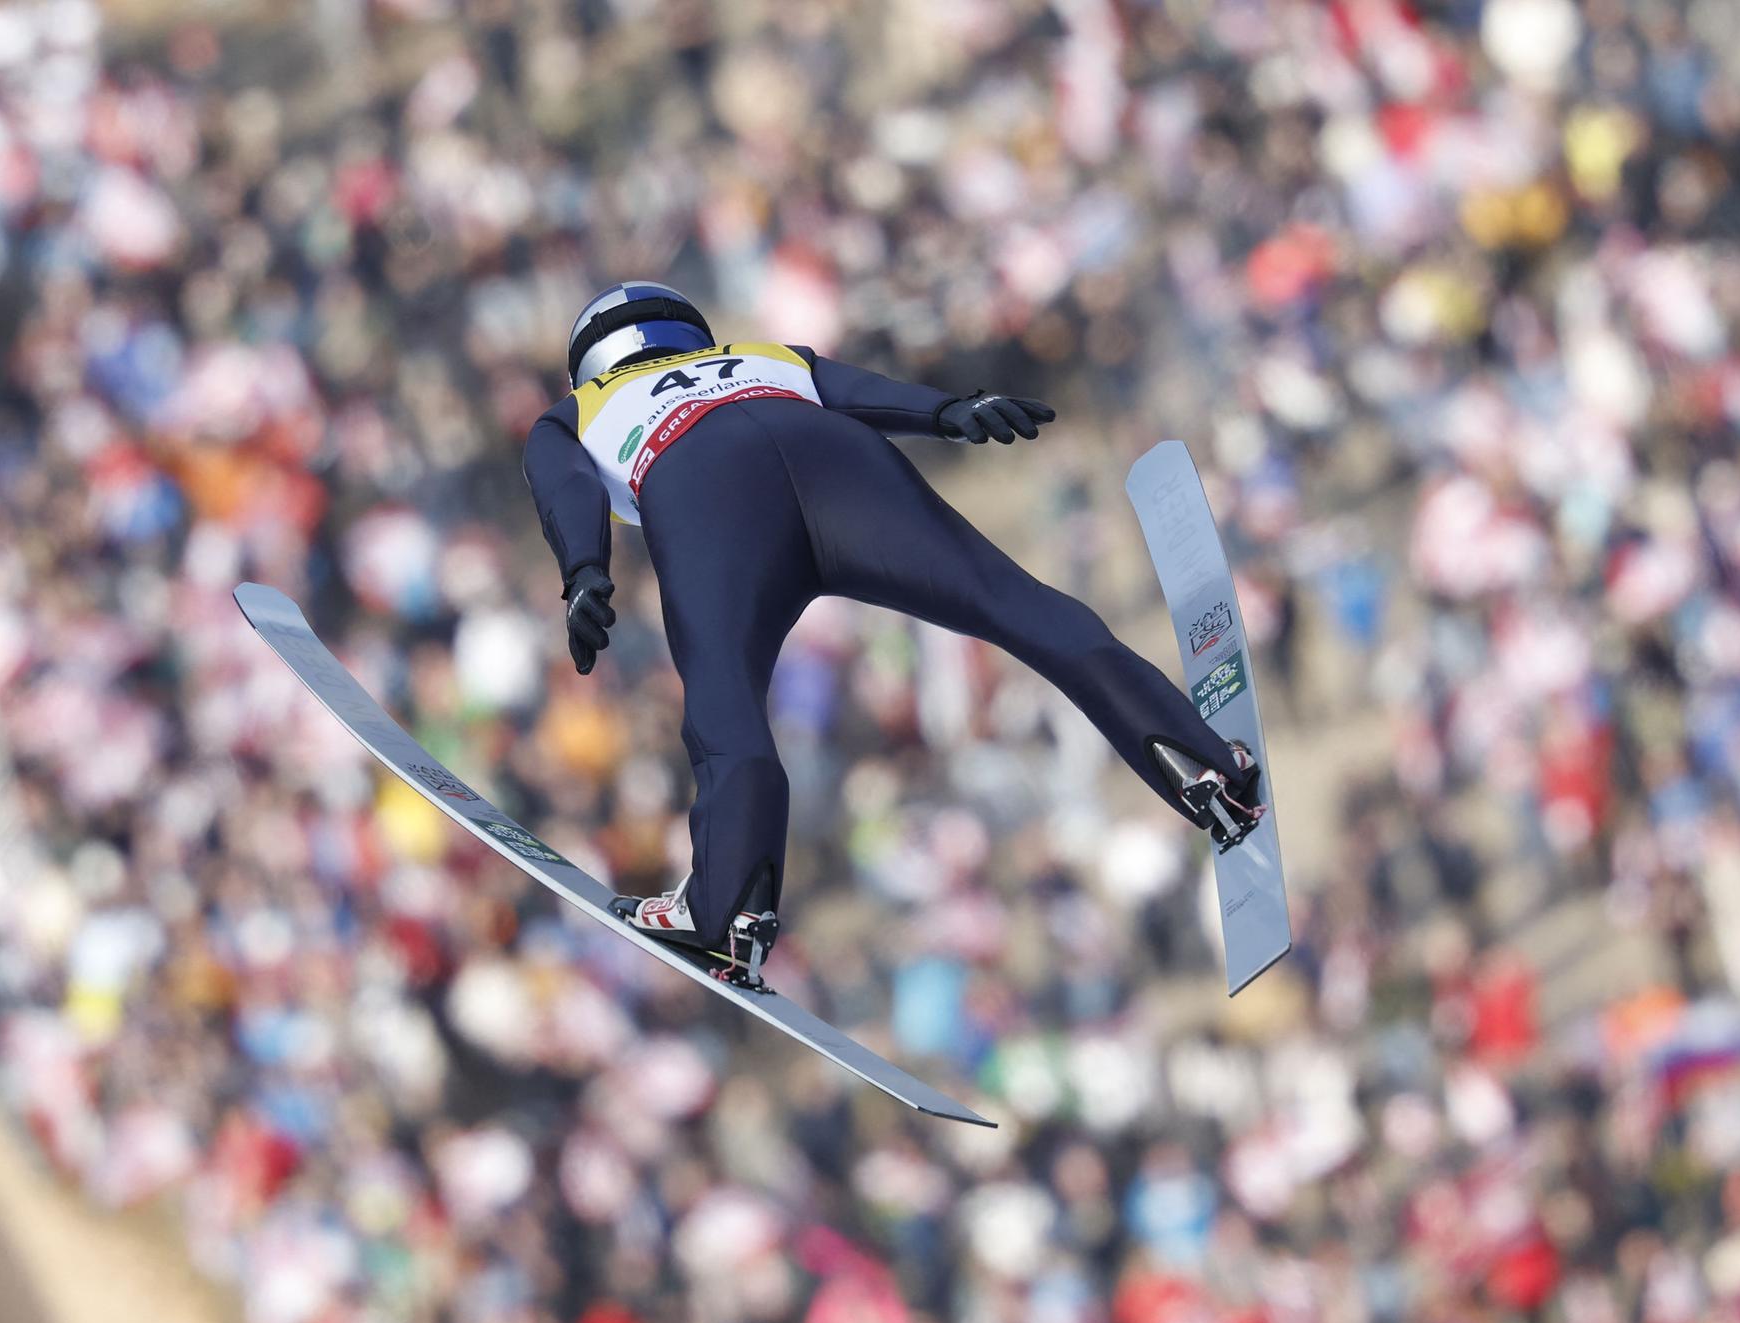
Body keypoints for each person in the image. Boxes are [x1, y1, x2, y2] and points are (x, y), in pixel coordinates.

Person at [519, 282, 1262, 976]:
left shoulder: (576, 411)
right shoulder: (761, 356)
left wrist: (585, 570)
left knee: (727, 714)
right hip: (838, 463)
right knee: (1013, 603)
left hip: (705, 492)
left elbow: (570, 486)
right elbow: (857, 393)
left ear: (591, 362)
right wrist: (952, 410)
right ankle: (1200, 764)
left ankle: (730, 908)